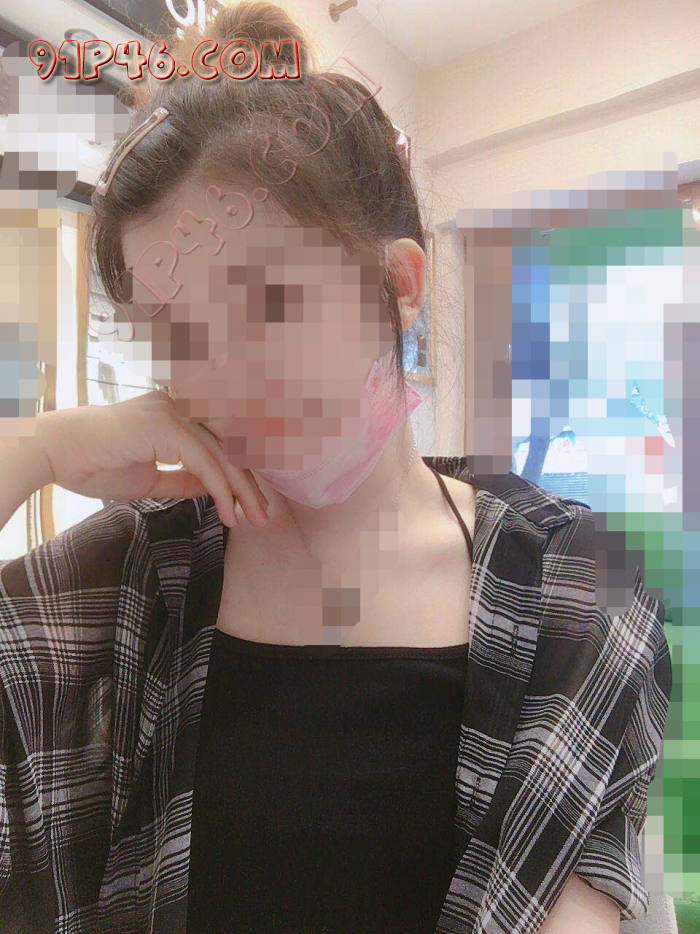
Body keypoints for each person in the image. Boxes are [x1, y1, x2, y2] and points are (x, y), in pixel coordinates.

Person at [0, 3, 670, 933]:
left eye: (268, 303)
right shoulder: (125, 586)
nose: (219, 382)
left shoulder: (578, 588)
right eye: (178, 333)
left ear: (398, 285)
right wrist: (31, 449)